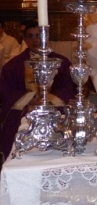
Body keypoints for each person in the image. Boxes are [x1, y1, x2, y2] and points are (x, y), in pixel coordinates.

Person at [0, 20, 76, 162]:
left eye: (39, 35)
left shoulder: (62, 62)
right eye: (31, 36)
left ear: (46, 37)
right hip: (24, 112)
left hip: (55, 110)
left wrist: (50, 100)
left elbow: (68, 88)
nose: (35, 39)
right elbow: (5, 92)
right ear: (25, 39)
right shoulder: (13, 66)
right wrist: (30, 99)